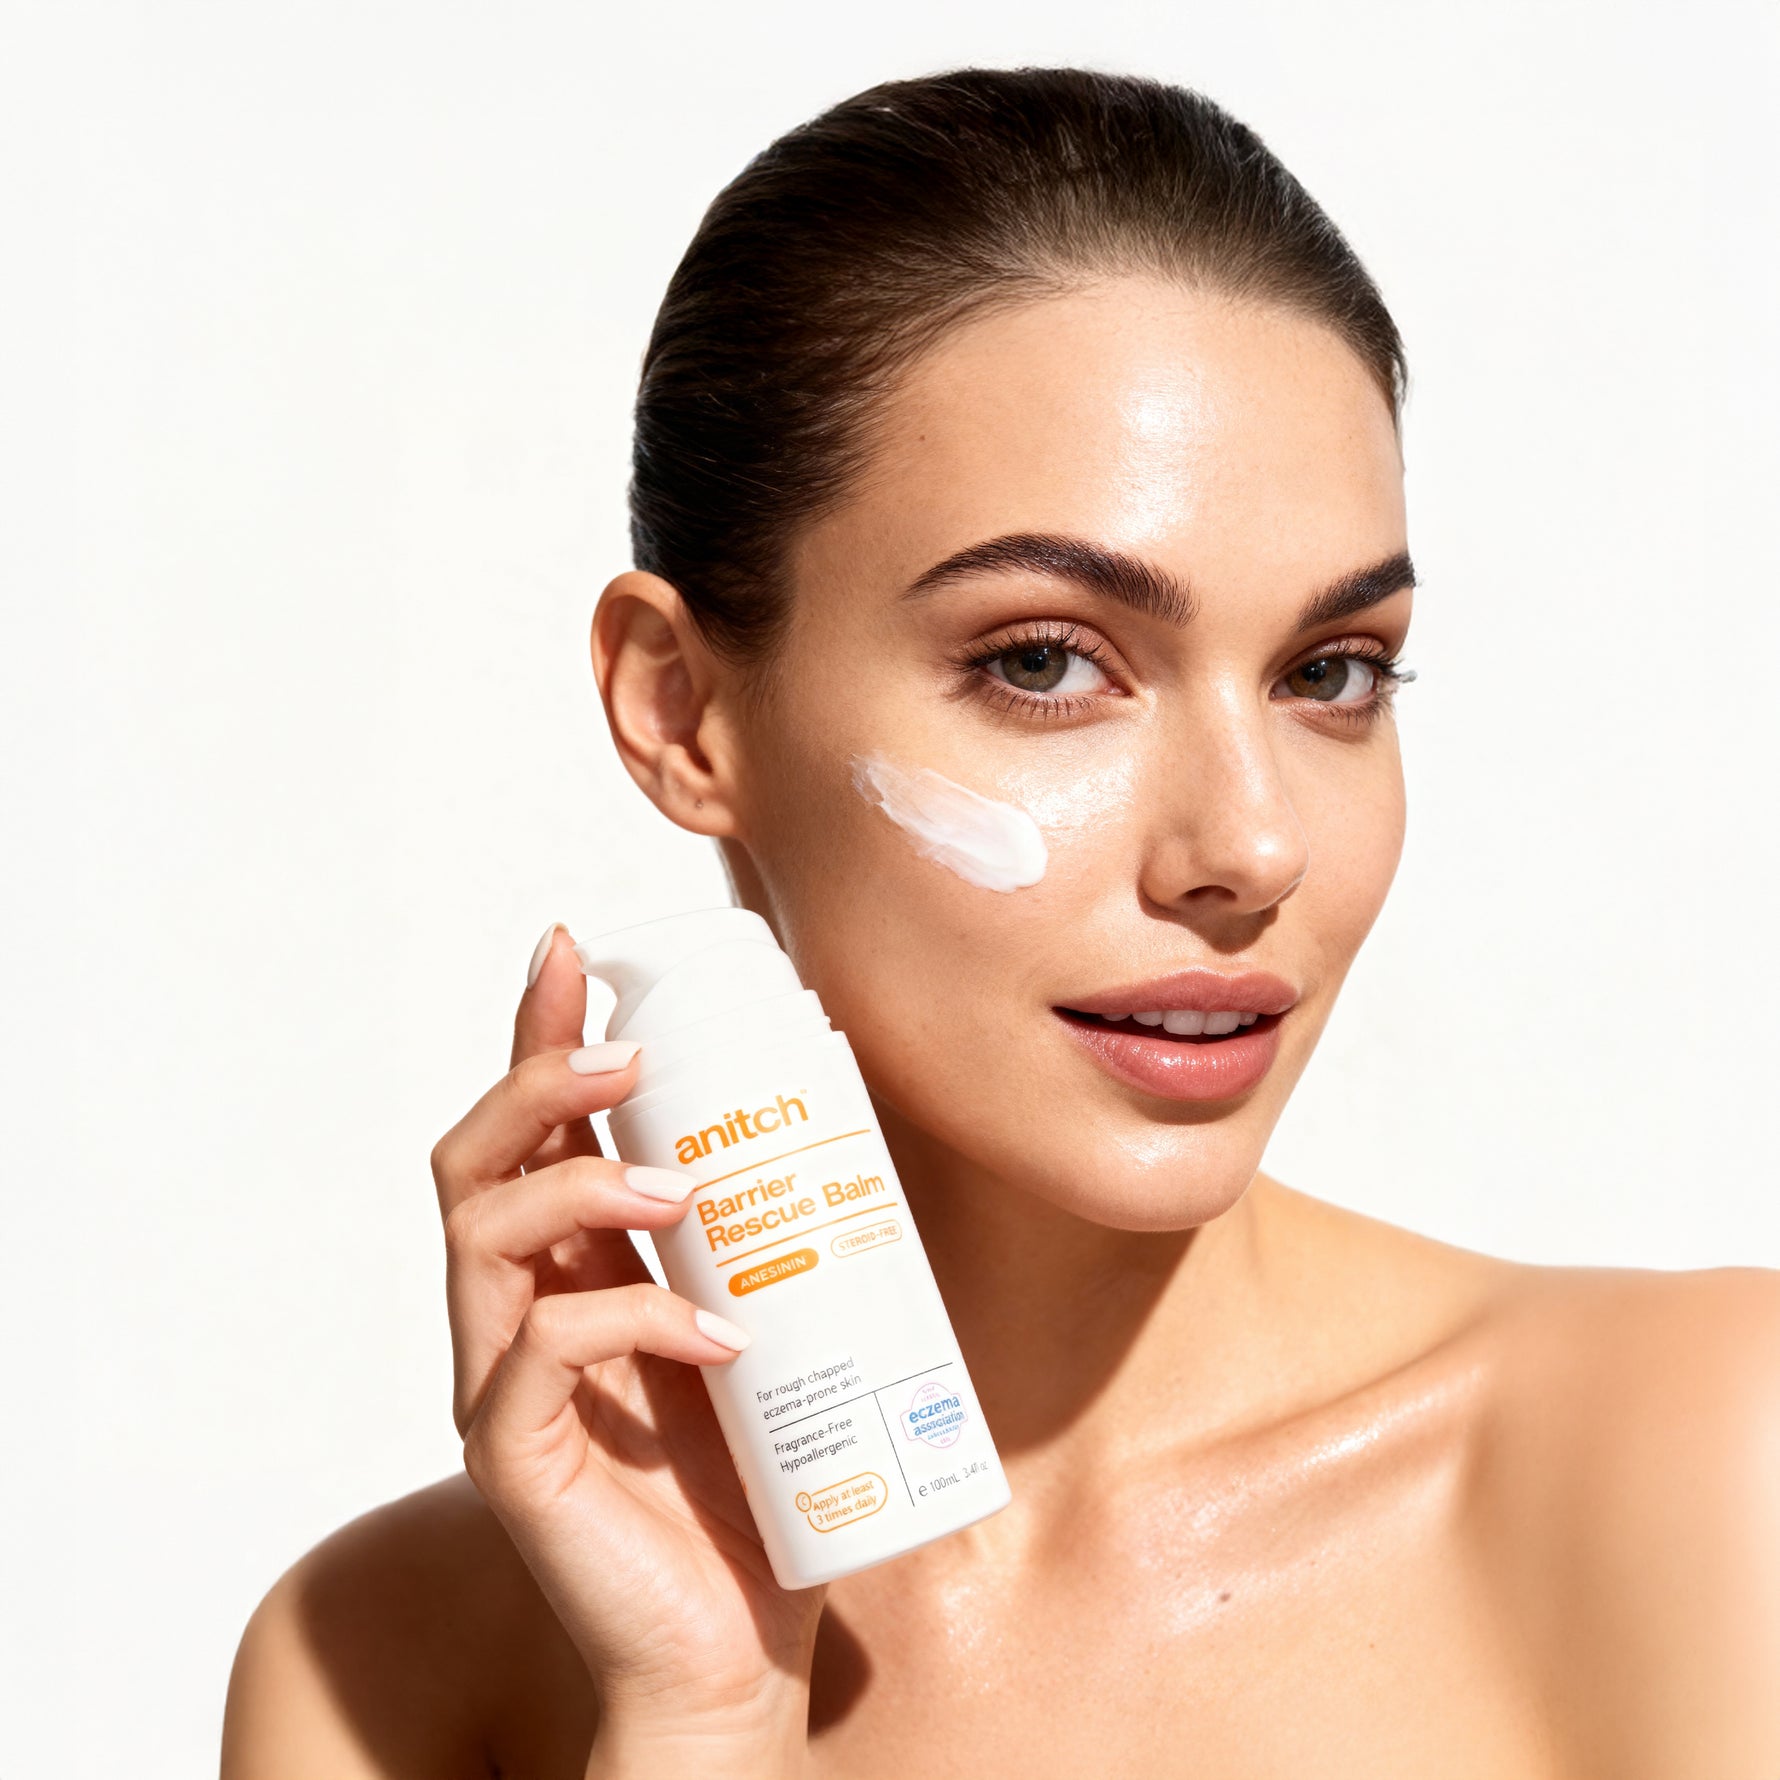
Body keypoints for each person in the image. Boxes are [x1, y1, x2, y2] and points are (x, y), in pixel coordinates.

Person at [220, 66, 1780, 1778]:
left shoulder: (1707, 1463)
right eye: (1045, 663)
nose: (1250, 845)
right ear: (681, 709)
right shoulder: (387, 1667)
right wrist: (704, 1715)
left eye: (1332, 673)